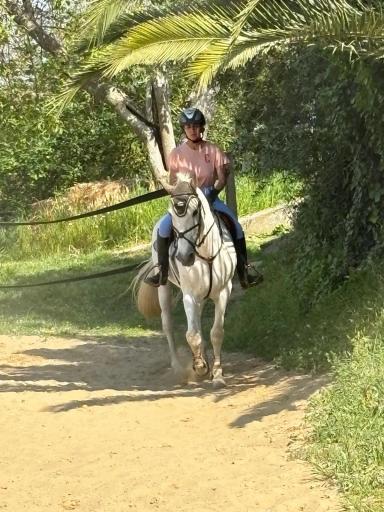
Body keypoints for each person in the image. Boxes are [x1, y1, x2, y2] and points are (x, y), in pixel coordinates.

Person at [145, 107, 263, 289]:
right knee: (163, 227)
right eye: (188, 126)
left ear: (202, 128)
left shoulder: (214, 150)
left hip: (210, 196)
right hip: (187, 199)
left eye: (196, 126)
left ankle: (244, 271)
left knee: (236, 226)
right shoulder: (176, 154)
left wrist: (212, 192)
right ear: (184, 129)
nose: (192, 129)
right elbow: (174, 183)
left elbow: (222, 178)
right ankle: (161, 270)